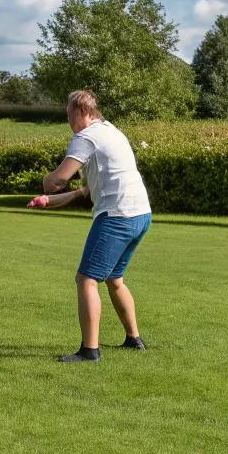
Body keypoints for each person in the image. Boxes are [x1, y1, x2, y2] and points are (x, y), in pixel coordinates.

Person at [32, 89, 151, 363]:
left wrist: (47, 184)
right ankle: (134, 339)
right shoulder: (111, 131)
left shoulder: (85, 137)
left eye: (69, 115)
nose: (69, 122)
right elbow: (84, 190)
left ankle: (89, 351)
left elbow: (58, 179)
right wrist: (48, 200)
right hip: (141, 214)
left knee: (86, 280)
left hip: (117, 216)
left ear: (80, 111)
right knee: (114, 278)